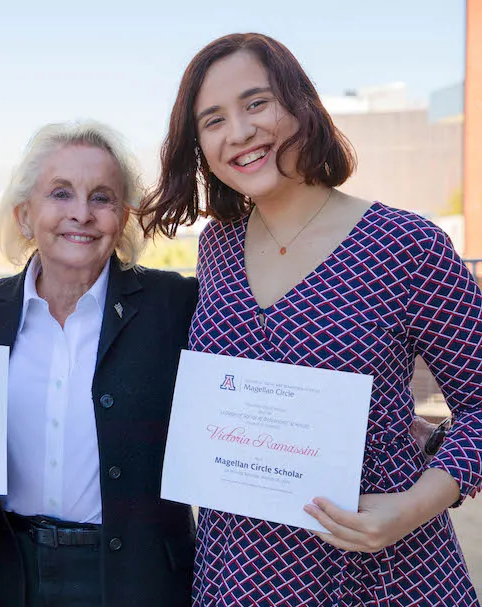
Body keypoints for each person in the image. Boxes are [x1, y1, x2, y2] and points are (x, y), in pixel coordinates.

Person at [140, 33, 482, 606]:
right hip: (238, 574)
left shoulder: (405, 244)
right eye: (213, 120)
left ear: (301, 104)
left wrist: (413, 506)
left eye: (256, 103)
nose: (240, 132)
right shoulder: (217, 248)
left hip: (381, 575)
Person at [0, 120, 197, 606]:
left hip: (135, 580)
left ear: (121, 218)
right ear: (24, 215)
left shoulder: (174, 305)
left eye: (101, 198)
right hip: (7, 576)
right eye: (60, 194)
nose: (81, 214)